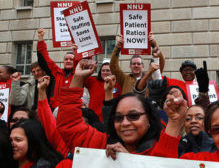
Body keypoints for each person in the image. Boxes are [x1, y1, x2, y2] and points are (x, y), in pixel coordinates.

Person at [57, 59, 186, 160]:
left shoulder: (159, 149)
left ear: (149, 120)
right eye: (118, 118)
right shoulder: (103, 145)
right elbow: (70, 125)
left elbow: (163, 163)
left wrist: (128, 161)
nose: (124, 123)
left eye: (133, 116)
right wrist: (78, 78)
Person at [37, 28, 76, 109]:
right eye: (66, 59)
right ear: (63, 62)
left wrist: (78, 51)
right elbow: (45, 58)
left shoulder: (78, 75)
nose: (68, 61)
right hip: (55, 109)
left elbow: (85, 62)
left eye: (71, 59)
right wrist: (41, 40)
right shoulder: (57, 72)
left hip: (72, 109)